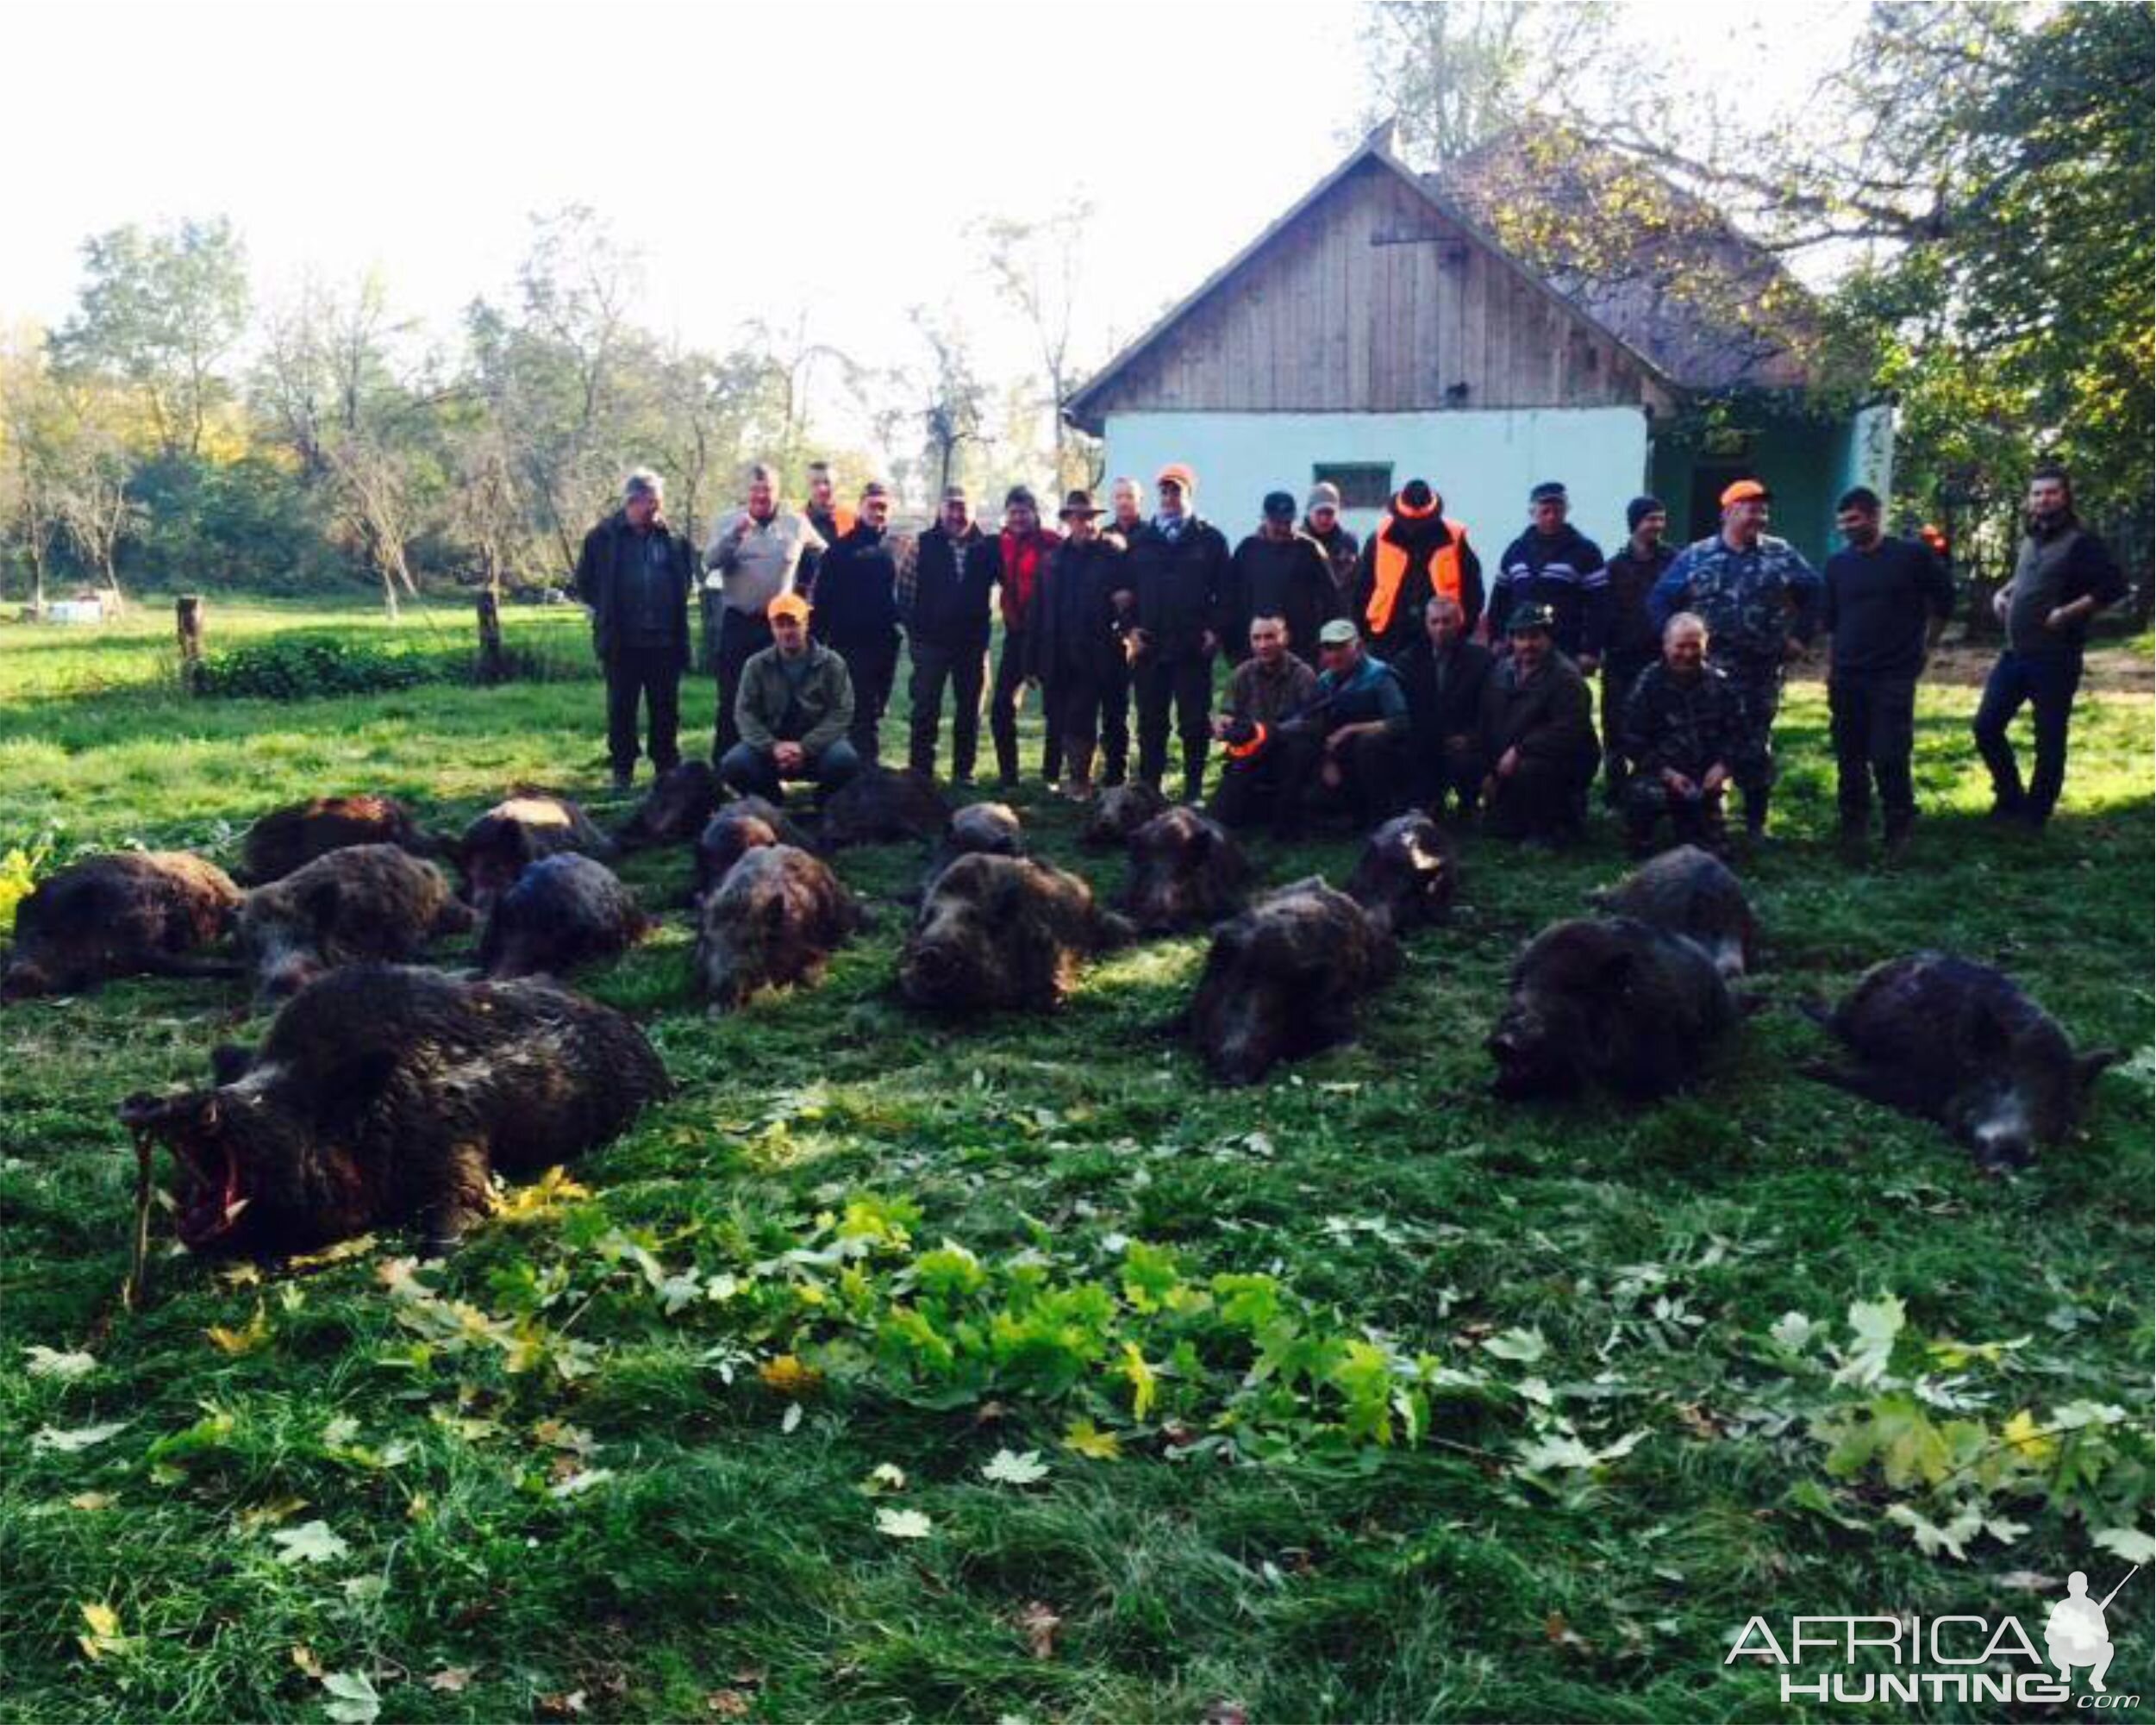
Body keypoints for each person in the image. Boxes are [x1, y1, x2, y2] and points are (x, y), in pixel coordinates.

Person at [1647, 478, 1822, 841]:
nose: (1760, 515)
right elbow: (1659, 599)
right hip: (1707, 673)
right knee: (1710, 740)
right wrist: (1674, 642)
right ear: (1728, 512)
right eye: (1751, 508)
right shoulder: (1696, 555)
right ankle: (1708, 817)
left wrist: (1799, 638)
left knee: (1756, 742)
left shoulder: (1781, 553)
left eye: (1763, 509)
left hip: (1760, 670)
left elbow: (1816, 594)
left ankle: (1756, 823)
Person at [1972, 463, 2127, 832]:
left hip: (2055, 658)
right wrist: (2003, 592)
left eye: (2051, 492)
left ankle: (2035, 815)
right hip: (2015, 655)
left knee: (2049, 738)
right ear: (2030, 500)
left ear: (2066, 497)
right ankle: (2010, 796)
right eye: (2037, 493)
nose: (2044, 499)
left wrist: (2066, 613)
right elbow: (2027, 574)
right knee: (1986, 727)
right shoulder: (2032, 538)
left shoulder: (2081, 542)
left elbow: (2114, 586)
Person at [1822, 485, 1956, 859]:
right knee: (1849, 754)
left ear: (1875, 515)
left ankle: (1899, 827)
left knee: (1889, 752)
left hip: (1893, 674)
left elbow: (1944, 603)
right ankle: (1853, 826)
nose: (1847, 528)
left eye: (1854, 520)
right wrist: (1831, 670)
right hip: (1847, 675)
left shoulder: (1911, 556)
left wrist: (1927, 647)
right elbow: (1831, 623)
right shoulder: (1837, 565)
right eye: (1842, 523)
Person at [572, 468, 696, 793]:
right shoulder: (601, 537)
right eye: (650, 501)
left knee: (666, 710)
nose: (656, 508)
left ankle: (666, 771)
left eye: (659, 501)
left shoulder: (675, 539)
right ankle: (622, 771)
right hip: (622, 643)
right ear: (632, 500)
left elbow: (684, 584)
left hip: (665, 642)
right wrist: (610, 611)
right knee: (621, 709)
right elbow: (584, 584)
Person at [703, 462, 827, 759]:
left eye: (767, 489)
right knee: (734, 696)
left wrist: (807, 592)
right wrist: (734, 537)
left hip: (780, 626)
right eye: (755, 489)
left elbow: (825, 554)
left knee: (779, 697)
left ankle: (775, 764)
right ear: (747, 492)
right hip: (739, 623)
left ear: (778, 491)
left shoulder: (796, 523)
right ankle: (726, 767)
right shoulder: (726, 522)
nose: (761, 495)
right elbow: (709, 561)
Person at [1127, 463, 1232, 803]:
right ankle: (1150, 790)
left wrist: (1215, 630)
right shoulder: (1141, 540)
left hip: (1192, 647)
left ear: (1189, 493)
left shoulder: (1210, 539)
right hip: (1150, 646)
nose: (1170, 496)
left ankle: (1193, 790)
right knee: (1151, 724)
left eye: (1177, 490)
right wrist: (1130, 630)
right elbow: (1123, 591)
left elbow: (1226, 592)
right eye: (1166, 491)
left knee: (1193, 723)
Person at [1035, 489, 1132, 798]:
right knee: (1077, 719)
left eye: (1091, 517)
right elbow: (1039, 610)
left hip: (1109, 649)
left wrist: (1126, 608)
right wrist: (1035, 657)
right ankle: (1080, 781)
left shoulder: (1114, 554)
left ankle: (1117, 781)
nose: (1087, 524)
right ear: (1067, 520)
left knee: (1116, 718)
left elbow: (1132, 592)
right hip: (1069, 653)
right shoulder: (1053, 561)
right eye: (1080, 517)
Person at [1618, 612, 1740, 857]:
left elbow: (1741, 733)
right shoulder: (1647, 684)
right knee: (1644, 797)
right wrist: (1667, 774)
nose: (1687, 653)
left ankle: (1697, 826)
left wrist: (1724, 766)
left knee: (1717, 854)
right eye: (1680, 646)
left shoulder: (1721, 684)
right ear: (1665, 646)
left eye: (1695, 646)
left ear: (1705, 646)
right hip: (1661, 774)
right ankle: (1641, 837)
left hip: (1705, 780)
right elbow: (1631, 740)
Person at [719, 593, 859, 803]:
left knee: (845, 760)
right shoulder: (755, 665)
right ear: (772, 627)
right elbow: (744, 713)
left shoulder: (833, 663)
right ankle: (768, 797)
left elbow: (842, 712)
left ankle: (826, 801)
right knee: (733, 764)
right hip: (770, 750)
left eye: (793, 624)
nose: (786, 631)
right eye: (780, 625)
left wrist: (806, 747)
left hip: (819, 748)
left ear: (806, 623)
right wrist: (772, 746)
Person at [1478, 603, 1598, 846]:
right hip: (1509, 760)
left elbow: (1568, 732)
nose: (1527, 644)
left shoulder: (1566, 677)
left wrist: (1520, 749)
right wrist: (1490, 770)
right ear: (1511, 639)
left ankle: (1548, 829)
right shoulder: (1501, 670)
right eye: (1521, 637)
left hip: (1558, 761)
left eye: (1535, 636)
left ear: (1548, 638)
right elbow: (1488, 720)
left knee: (1531, 768)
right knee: (1501, 830)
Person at [899, 484, 991, 783]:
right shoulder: (922, 544)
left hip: (972, 643)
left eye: (963, 507)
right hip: (930, 643)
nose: (957, 514)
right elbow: (905, 594)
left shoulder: (987, 546)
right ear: (940, 511)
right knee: (926, 708)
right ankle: (920, 772)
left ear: (973, 511)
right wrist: (917, 635)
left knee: (970, 710)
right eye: (951, 507)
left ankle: (963, 771)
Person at [809, 481, 901, 766]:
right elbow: (822, 600)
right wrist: (816, 642)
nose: (878, 513)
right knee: (858, 711)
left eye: (883, 508)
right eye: (873, 506)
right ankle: (864, 772)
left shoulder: (897, 548)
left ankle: (861, 766)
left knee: (875, 709)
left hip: (886, 643)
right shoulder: (839, 551)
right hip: (849, 645)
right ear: (860, 506)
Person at [979, 485, 1062, 789]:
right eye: (1013, 512)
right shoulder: (997, 544)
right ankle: (1008, 775)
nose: (1018, 518)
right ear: (1006, 514)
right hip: (1016, 635)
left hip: (1050, 635)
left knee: (1055, 707)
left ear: (1035, 513)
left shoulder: (1052, 542)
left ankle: (1051, 776)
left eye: (1024, 512)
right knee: (1002, 706)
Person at [1209, 614, 1321, 838]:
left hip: (1289, 752)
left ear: (1285, 638)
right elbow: (1227, 712)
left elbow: (1313, 723)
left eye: (1270, 637)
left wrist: (1270, 731)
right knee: (1220, 817)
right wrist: (1222, 724)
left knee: (1298, 752)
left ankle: (1286, 827)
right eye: (1256, 638)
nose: (1263, 645)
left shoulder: (1303, 674)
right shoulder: (1241, 674)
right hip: (1252, 751)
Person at [1350, 479, 1482, 663]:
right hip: (1387, 638)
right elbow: (1362, 588)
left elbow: (1473, 590)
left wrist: (1462, 631)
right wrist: (1366, 634)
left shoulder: (1455, 537)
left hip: (1441, 639)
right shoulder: (1379, 537)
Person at [1299, 617, 1411, 828]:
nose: (1333, 654)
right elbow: (1315, 725)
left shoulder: (1381, 675)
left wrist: (1352, 730)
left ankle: (1381, 818)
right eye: (1327, 648)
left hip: (1385, 759)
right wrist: (1326, 761)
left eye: (1340, 647)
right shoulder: (1324, 681)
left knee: (1368, 743)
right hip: (1341, 760)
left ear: (1358, 646)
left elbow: (1401, 722)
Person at [1599, 495, 1676, 804]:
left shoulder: (1675, 561)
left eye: (1660, 518)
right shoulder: (1613, 567)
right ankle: (1615, 791)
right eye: (1650, 519)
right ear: (1635, 524)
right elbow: (1602, 611)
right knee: (1615, 726)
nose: (1657, 525)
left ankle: (1660, 787)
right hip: (1621, 658)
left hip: (1662, 658)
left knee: (1660, 724)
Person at [1490, 480, 1607, 666]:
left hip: (1566, 650)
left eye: (1557, 511)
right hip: (1520, 650)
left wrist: (1590, 649)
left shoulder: (1586, 551)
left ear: (1566, 511)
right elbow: (1499, 599)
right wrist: (1495, 638)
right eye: (1545, 511)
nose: (1551, 517)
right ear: (1532, 513)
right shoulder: (1515, 551)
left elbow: (1599, 606)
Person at [1397, 593, 1493, 818]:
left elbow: (1490, 710)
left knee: (1466, 759)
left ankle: (1469, 805)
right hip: (1423, 739)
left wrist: (1470, 737)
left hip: (1466, 738)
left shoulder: (1482, 660)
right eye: (1435, 622)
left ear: (1459, 623)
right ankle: (1424, 804)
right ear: (1426, 625)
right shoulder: (1408, 660)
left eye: (1446, 621)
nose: (1440, 628)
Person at [1227, 491, 1340, 661]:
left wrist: (1330, 643)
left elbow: (1332, 601)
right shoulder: (1246, 549)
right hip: (1255, 649)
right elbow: (1231, 597)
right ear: (1264, 519)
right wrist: (1233, 645)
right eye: (1276, 522)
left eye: (1287, 522)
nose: (1282, 528)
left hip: (1301, 650)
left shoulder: (1310, 550)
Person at [1301, 480, 1360, 596]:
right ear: (1309, 512)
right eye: (1319, 512)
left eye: (1329, 513)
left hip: (1338, 612)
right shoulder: (1296, 542)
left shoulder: (1348, 544)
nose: (1324, 519)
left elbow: (1356, 585)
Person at [802, 459, 855, 553]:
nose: (822, 488)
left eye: (827, 482)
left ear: (836, 485)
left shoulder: (853, 520)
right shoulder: (797, 520)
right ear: (807, 485)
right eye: (815, 483)